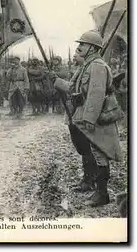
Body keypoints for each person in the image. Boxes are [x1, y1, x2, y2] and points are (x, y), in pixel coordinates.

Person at [52, 30, 122, 207]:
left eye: (83, 44)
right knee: (95, 152)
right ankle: (97, 190)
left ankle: (102, 194)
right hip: (88, 116)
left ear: (92, 48)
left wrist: (89, 120)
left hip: (96, 118)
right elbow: (76, 89)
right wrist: (56, 81)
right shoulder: (87, 65)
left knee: (100, 154)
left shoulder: (97, 66)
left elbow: (95, 96)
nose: (79, 47)